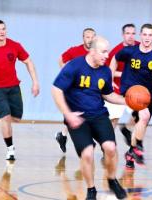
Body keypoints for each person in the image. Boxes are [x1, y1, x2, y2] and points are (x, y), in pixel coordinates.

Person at [52, 36, 127, 200]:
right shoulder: (74, 66)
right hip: (77, 117)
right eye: (104, 51)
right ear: (92, 51)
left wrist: (126, 100)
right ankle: (91, 189)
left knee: (111, 148)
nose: (107, 55)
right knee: (87, 154)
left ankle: (112, 179)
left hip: (99, 115)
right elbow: (56, 90)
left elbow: (108, 94)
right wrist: (68, 114)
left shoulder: (105, 71)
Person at [110, 23, 152, 169]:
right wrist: (110, 76)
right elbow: (114, 58)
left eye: (150, 35)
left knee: (142, 124)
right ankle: (138, 148)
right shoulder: (129, 51)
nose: (147, 38)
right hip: (130, 91)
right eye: (144, 34)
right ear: (141, 36)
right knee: (144, 116)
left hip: (147, 95)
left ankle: (131, 153)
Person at [0, 19, 40, 160]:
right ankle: (10, 149)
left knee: (15, 118)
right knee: (5, 118)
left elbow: (28, 61)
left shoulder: (14, 45)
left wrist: (35, 82)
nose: (2, 31)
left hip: (13, 87)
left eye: (3, 28)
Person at [55, 28, 96, 153]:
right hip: (74, 90)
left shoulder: (97, 52)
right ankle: (86, 140)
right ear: (83, 38)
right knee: (76, 114)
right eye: (87, 37)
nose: (89, 40)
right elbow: (61, 60)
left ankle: (62, 135)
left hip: (90, 89)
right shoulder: (75, 51)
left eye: (92, 37)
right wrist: (68, 74)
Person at [106, 23, 139, 145]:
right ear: (123, 35)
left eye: (133, 33)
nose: (131, 36)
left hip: (134, 90)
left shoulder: (140, 48)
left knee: (140, 114)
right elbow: (109, 72)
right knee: (114, 119)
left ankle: (126, 129)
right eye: (128, 33)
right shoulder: (116, 51)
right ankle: (108, 144)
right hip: (118, 90)